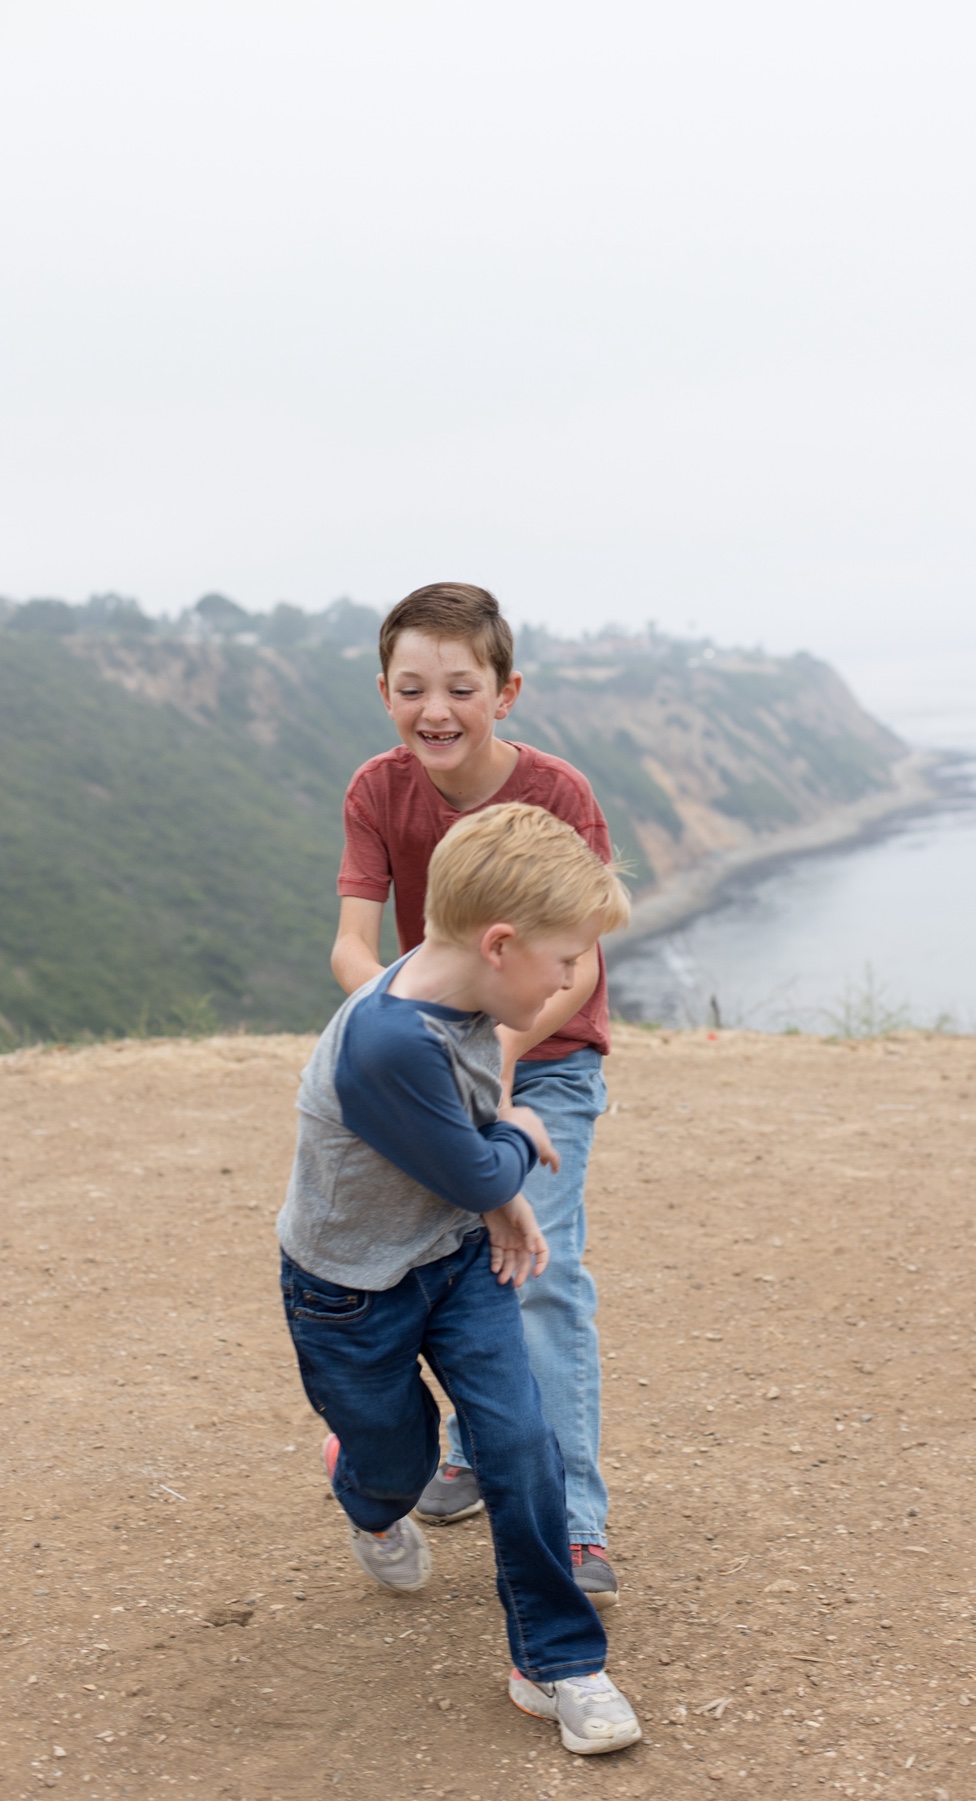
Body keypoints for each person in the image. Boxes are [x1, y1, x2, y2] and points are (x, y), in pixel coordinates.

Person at [277, 804, 641, 1755]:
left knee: (522, 1444)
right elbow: (480, 1153)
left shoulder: (469, 993)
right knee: (397, 1463)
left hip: (455, 1261)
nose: (574, 982)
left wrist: (498, 1202)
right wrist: (518, 1147)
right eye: (565, 962)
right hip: (350, 1293)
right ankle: (361, 1485)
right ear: (501, 943)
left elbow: (464, 1152)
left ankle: (557, 1660)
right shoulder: (389, 1038)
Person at [331, 583, 620, 1605]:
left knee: (536, 1264)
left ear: (507, 690)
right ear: (385, 691)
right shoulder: (378, 788)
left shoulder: (558, 793)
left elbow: (578, 964)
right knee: (439, 1262)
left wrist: (490, 1057)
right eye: (413, 688)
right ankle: (463, 1451)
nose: (436, 708)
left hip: (544, 1053)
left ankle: (576, 1522)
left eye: (461, 685)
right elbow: (353, 946)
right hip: (435, 1048)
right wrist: (407, 1045)